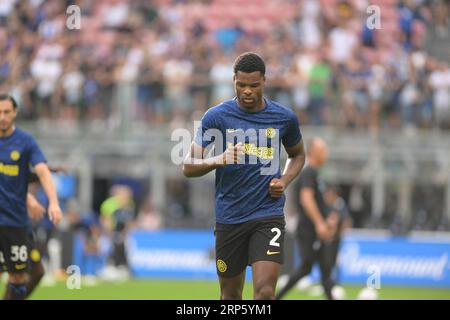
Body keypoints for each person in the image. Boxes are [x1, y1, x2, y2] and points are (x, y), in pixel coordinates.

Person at [183, 52, 306, 300]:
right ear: (233, 81)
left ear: (264, 82)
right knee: (230, 295)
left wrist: (284, 180)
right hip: (230, 217)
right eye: (241, 85)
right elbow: (188, 166)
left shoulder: (284, 118)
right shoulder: (216, 116)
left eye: (253, 85)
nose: (247, 91)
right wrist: (219, 159)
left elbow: (298, 155)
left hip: (267, 215)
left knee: (265, 292)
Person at [0, 94, 62, 300]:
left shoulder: (25, 142)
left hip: (15, 222)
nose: (2, 117)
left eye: (6, 112)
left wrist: (53, 203)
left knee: (20, 276)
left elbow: (42, 171)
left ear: (15, 113)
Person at [276, 137, 340, 300]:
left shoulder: (317, 175)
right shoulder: (309, 172)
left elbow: (320, 202)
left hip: (316, 229)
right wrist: (320, 223)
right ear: (313, 152)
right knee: (307, 268)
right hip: (309, 229)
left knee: (324, 268)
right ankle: (276, 297)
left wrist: (329, 218)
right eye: (323, 150)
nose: (326, 154)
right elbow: (307, 199)